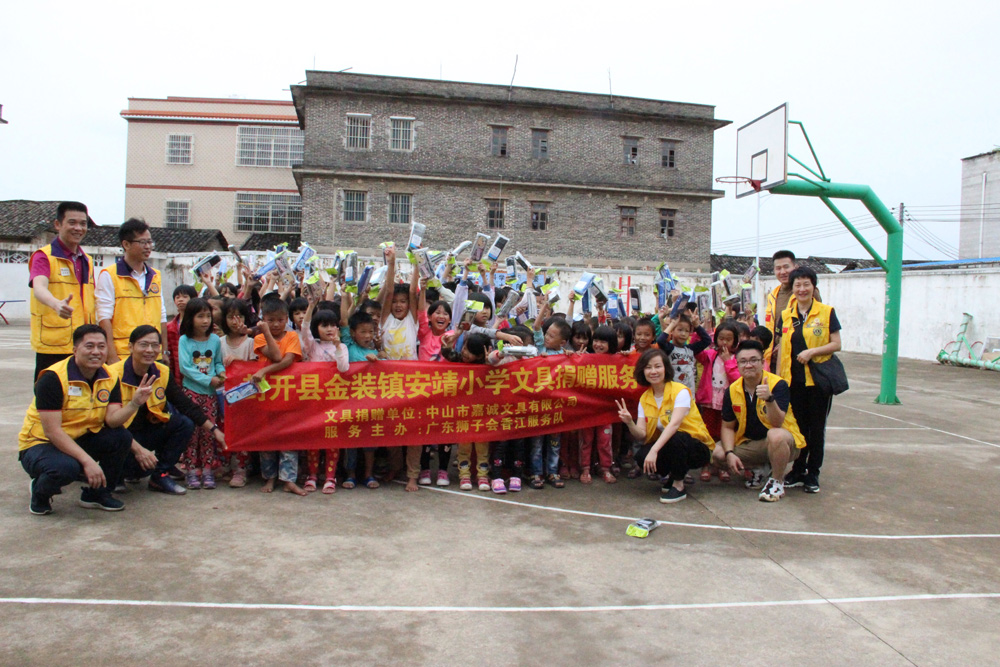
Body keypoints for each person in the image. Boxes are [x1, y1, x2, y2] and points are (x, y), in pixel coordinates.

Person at [19, 325, 136, 515]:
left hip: (79, 437)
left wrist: (134, 404)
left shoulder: (110, 376)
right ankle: (39, 492)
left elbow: (113, 421)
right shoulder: (53, 378)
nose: (96, 352)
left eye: (101, 346)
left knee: (121, 437)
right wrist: (88, 461)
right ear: (75, 350)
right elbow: (52, 432)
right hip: (41, 443)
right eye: (89, 346)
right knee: (65, 468)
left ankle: (97, 494)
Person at [109, 325, 226, 496]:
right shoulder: (112, 374)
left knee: (184, 423)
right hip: (121, 437)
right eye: (144, 345)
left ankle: (160, 475)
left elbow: (185, 404)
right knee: (110, 440)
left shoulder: (162, 371)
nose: (150, 350)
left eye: (154, 345)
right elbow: (109, 423)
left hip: (147, 432)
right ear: (130, 347)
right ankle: (117, 475)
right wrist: (138, 450)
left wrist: (214, 430)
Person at [616, 348, 714, 504]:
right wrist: (629, 422)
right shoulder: (645, 398)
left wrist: (654, 451)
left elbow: (674, 425)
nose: (653, 371)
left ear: (666, 368)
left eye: (657, 366)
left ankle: (679, 485)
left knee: (676, 437)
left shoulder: (680, 391)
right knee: (642, 456)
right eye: (648, 367)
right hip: (672, 445)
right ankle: (673, 476)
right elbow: (641, 434)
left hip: (697, 447)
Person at [713, 340, 806, 502]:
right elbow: (727, 427)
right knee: (717, 453)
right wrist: (729, 453)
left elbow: (777, 423)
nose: (748, 365)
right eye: (743, 361)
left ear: (762, 362)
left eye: (753, 360)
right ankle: (760, 468)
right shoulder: (732, 390)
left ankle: (776, 481)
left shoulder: (777, 385)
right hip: (753, 443)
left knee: (776, 435)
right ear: (737, 364)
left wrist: (769, 399)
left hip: (784, 442)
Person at [777, 266, 842, 494]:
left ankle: (813, 473)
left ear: (814, 287)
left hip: (818, 382)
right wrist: (779, 379)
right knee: (798, 427)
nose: (802, 289)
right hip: (793, 382)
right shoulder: (786, 315)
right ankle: (797, 470)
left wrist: (812, 352)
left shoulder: (826, 312)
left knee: (816, 428)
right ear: (792, 288)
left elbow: (836, 343)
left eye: (807, 284)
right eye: (798, 285)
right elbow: (781, 348)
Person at [29, 202, 97, 381]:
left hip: (83, 344)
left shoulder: (87, 260)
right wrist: (56, 304)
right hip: (54, 345)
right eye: (72, 222)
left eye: (83, 224)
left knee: (81, 394)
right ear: (58, 224)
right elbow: (39, 287)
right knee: (49, 393)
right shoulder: (44, 256)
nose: (78, 228)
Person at [252, 298, 307, 496]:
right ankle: (270, 477)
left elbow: (288, 360)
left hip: (289, 395)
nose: (276, 324)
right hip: (266, 396)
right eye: (271, 320)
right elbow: (276, 356)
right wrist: (266, 332)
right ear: (263, 319)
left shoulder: (292, 336)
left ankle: (288, 479)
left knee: (289, 438)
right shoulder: (259, 338)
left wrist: (264, 371)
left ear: (286, 319)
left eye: (280, 320)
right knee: (267, 438)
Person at [97, 218, 166, 364]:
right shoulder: (110, 275)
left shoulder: (155, 276)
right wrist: (111, 355)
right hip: (124, 354)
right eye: (142, 242)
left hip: (153, 354)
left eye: (150, 242)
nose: (148, 247)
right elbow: (104, 318)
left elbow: (162, 316)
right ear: (126, 244)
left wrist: (164, 351)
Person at [300, 291, 349, 494]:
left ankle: (330, 476)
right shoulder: (312, 346)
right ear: (316, 329)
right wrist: (311, 306)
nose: (329, 329)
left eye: (332, 325)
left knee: (332, 439)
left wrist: (337, 347)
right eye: (324, 325)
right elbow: (304, 329)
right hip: (314, 401)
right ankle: (312, 475)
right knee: (314, 440)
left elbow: (343, 368)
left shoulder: (343, 347)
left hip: (334, 401)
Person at [177, 298, 226, 489]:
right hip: (191, 392)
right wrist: (208, 379)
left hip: (210, 394)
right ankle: (191, 471)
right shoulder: (184, 340)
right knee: (192, 433)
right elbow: (185, 368)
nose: (205, 320)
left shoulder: (214, 340)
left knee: (208, 433)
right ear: (190, 318)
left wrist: (221, 373)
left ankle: (207, 470)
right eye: (200, 316)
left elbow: (218, 362)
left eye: (208, 316)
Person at [694, 320, 741, 483]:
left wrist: (728, 361)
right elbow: (697, 352)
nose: (724, 342)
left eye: (729, 339)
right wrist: (697, 330)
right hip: (709, 402)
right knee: (708, 433)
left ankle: (722, 466)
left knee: (724, 434)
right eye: (721, 338)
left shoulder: (736, 358)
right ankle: (706, 464)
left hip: (727, 404)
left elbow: (737, 380)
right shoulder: (710, 355)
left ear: (735, 340)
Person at [764, 250, 821, 371]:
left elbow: (814, 324)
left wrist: (785, 344)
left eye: (786, 267)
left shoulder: (807, 293)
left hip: (799, 356)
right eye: (778, 268)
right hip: (774, 357)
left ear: (795, 267)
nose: (782, 272)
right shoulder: (773, 295)